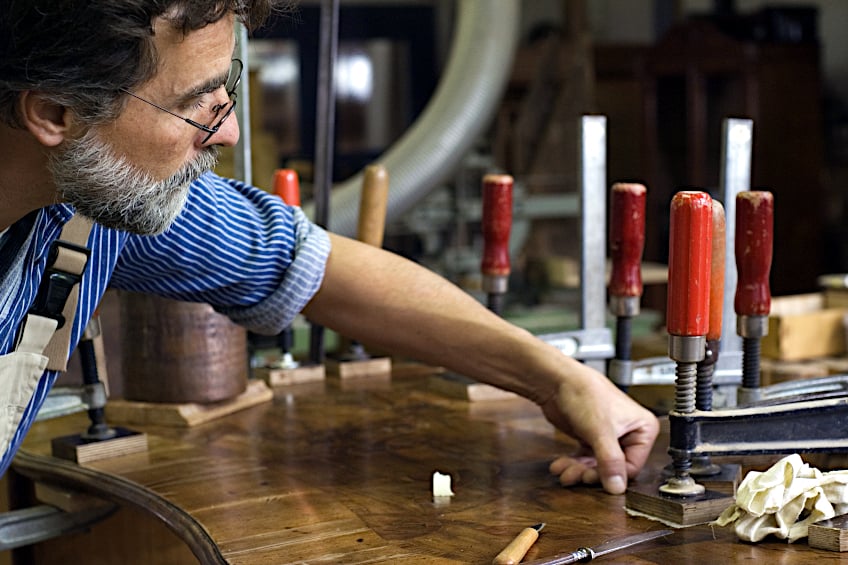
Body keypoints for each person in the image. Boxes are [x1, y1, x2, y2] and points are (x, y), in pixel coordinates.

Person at [0, 0, 658, 494]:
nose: (227, 132)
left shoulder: (89, 201)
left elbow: (318, 269)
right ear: (56, 114)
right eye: (199, 104)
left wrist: (559, 380)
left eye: (226, 90)